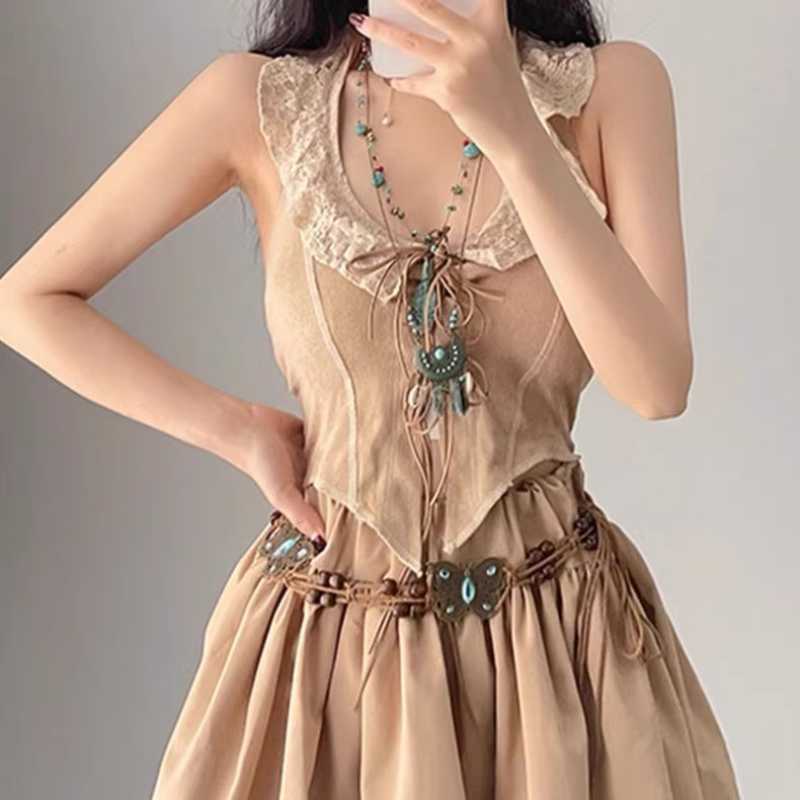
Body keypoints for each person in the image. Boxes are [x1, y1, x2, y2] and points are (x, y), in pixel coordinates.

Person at [0, 0, 741, 797]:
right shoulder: (259, 102)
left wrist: (514, 130)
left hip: (560, 656)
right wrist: (237, 429)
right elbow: (29, 300)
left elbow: (656, 386)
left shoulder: (612, 89)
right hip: (326, 665)